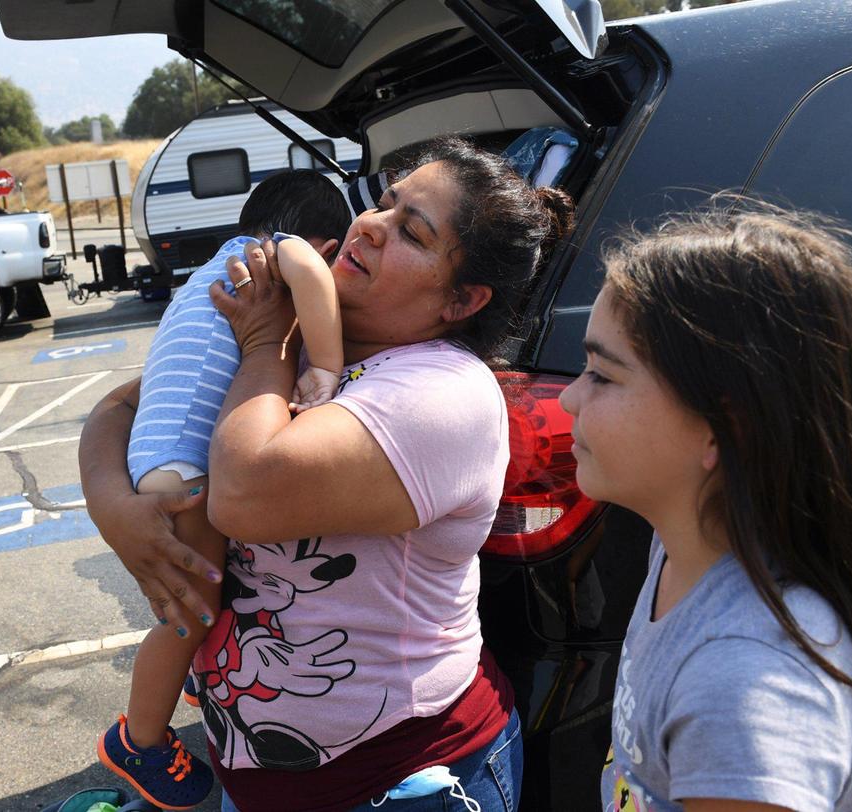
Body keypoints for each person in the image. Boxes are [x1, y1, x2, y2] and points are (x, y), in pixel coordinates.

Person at [78, 136, 575, 811]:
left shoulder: (440, 391)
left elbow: (243, 494)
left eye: (412, 232)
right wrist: (113, 507)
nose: (369, 225)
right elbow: (119, 406)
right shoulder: (306, 338)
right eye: (385, 203)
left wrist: (262, 343)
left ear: (462, 300)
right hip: (255, 775)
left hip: (402, 781)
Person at [557, 204, 852, 811]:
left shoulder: (746, 688)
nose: (567, 398)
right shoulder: (681, 543)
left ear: (726, 425)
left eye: (602, 376)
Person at [95, 168, 352, 810]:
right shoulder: (275, 254)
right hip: (181, 468)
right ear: (318, 243)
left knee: (206, 594)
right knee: (188, 615)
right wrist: (325, 366)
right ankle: (140, 741)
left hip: (158, 455)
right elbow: (314, 278)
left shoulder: (203, 278)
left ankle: (192, 681)